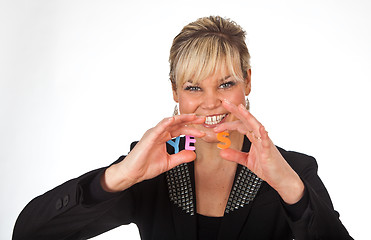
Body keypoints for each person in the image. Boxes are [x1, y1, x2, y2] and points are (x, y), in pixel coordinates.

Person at [13, 16, 353, 240]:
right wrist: (118, 177)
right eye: (193, 87)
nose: (210, 102)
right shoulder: (150, 167)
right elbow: (30, 233)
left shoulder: (293, 169)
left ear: (247, 82)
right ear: (175, 91)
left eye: (225, 84)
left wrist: (289, 186)